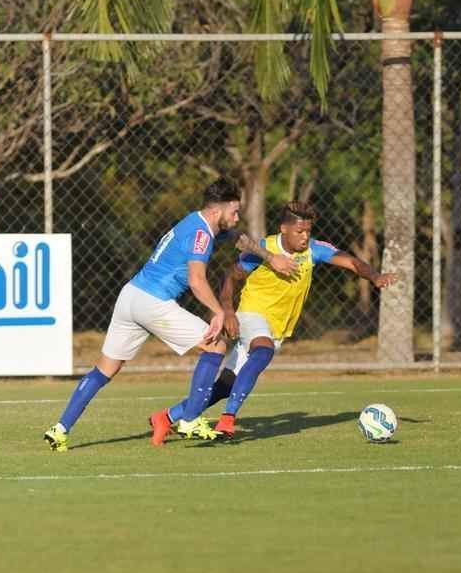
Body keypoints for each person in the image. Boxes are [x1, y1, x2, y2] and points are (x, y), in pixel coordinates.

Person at [43, 177, 297, 452]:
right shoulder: (200, 234)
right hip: (154, 301)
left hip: (131, 296)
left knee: (106, 368)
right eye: (234, 212)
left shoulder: (197, 222)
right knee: (217, 345)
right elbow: (197, 280)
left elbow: (239, 239)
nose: (237, 218)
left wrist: (269, 257)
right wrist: (219, 311)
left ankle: (60, 428)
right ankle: (190, 419)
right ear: (216, 211)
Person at [153, 201, 398, 441]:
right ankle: (228, 418)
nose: (304, 237)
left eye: (308, 232)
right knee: (263, 350)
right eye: (299, 232)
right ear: (284, 228)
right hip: (251, 314)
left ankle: (165, 417)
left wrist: (375, 277)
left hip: (277, 328)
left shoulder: (313, 250)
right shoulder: (263, 250)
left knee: (225, 386)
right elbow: (231, 276)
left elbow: (351, 262)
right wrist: (227, 310)